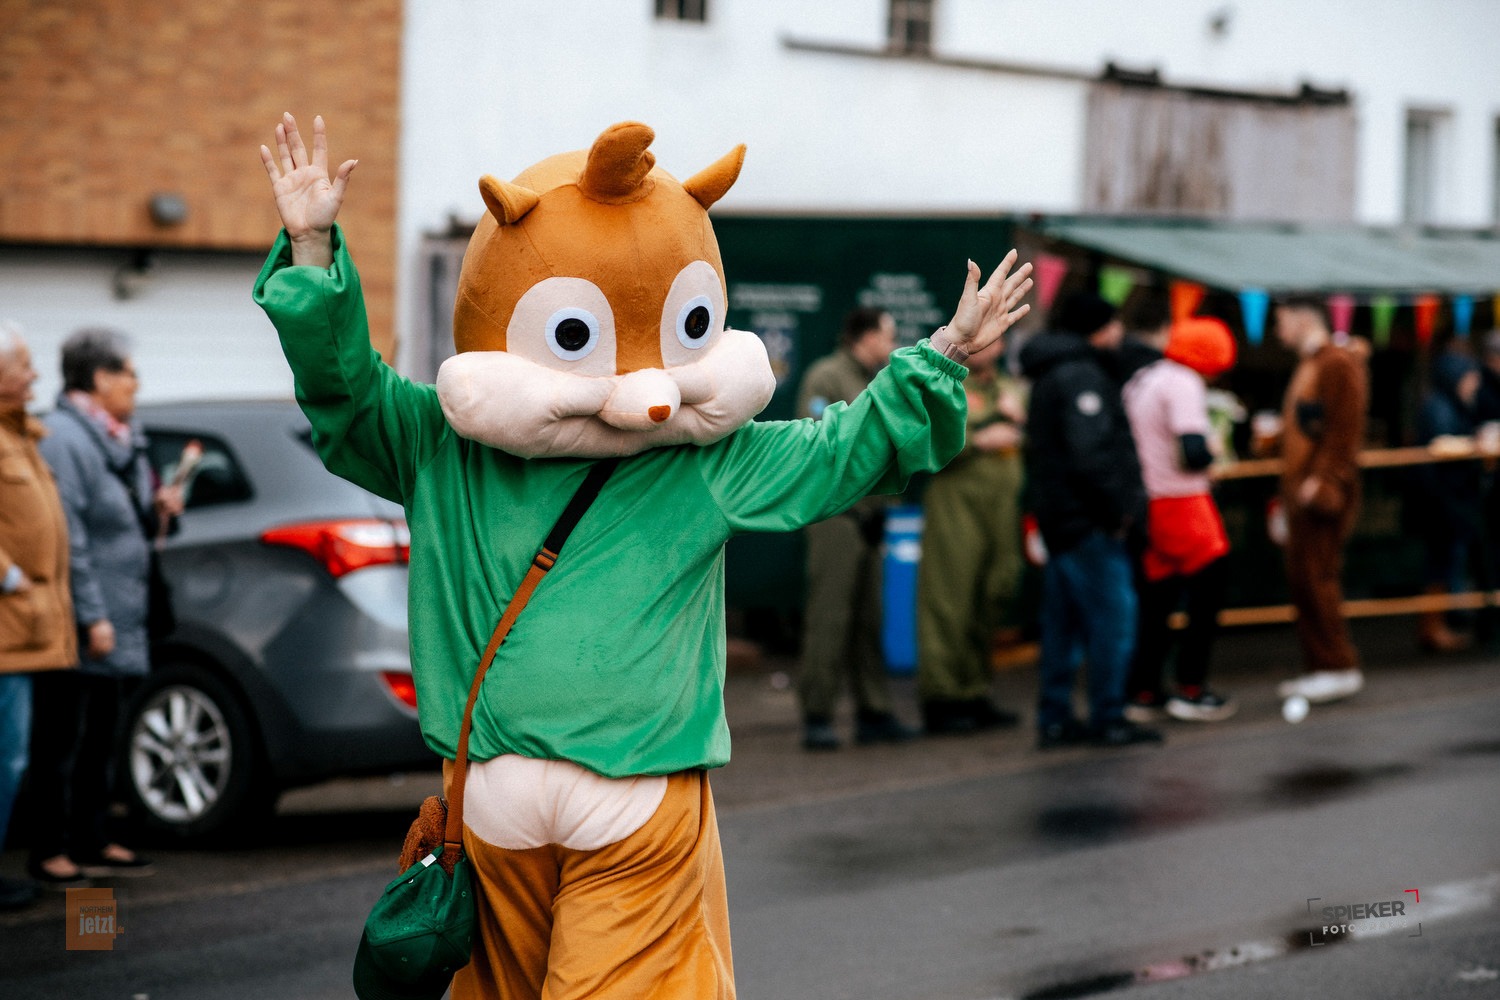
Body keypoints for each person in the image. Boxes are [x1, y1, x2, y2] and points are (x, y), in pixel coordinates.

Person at [256, 114, 1033, 999]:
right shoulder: (703, 462)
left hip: (492, 794)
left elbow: (345, 392)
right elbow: (842, 451)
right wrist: (942, 353)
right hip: (635, 790)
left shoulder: (441, 446)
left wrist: (311, 249)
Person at [30, 328, 183, 886]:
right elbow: (68, 537)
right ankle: (51, 848)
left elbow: (128, 524)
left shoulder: (126, 438)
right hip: (85, 618)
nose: (136, 385)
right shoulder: (64, 440)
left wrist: (161, 509)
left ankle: (93, 839)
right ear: (99, 379)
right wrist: (92, 615)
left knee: (103, 732)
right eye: (129, 374)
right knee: (63, 736)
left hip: (124, 611)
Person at [1020, 292, 1159, 749]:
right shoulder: (1082, 375)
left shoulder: (1050, 372)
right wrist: (1120, 512)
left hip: (1060, 521)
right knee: (1114, 621)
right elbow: (1092, 454)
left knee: (1062, 626)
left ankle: (1055, 717)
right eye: (1113, 324)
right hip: (1088, 524)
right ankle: (1109, 715)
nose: (1120, 333)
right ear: (1098, 329)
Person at [795, 308, 919, 750]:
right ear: (865, 337)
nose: (892, 344)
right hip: (837, 517)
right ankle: (817, 714)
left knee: (870, 618)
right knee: (830, 617)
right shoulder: (826, 376)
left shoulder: (879, 379)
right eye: (888, 335)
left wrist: (883, 509)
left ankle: (874, 710)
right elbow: (816, 440)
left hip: (871, 517)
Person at [1120, 312, 1238, 723]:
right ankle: (1191, 688)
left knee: (1156, 603)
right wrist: (1214, 449)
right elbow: (1193, 452)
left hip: (1148, 503)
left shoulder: (1142, 380)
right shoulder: (1184, 383)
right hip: (1184, 502)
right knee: (1207, 597)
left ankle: (1144, 689)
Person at [0, 322, 77, 909]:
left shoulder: (19, 434)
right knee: (8, 757)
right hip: (10, 627)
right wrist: (8, 577)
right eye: (23, 364)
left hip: (26, 629)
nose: (35, 375)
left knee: (16, 757)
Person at [915, 336, 1024, 734]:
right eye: (980, 342)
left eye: (994, 342)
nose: (987, 349)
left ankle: (974, 691)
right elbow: (932, 442)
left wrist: (1019, 421)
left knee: (992, 594)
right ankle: (942, 697)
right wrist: (982, 436)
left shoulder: (1010, 388)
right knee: (950, 599)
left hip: (1002, 509)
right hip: (957, 507)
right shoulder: (949, 386)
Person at [1271, 295, 1369, 705]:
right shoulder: (1315, 363)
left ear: (1301, 318)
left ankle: (1336, 666)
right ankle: (1323, 665)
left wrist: (1325, 481)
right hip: (1301, 490)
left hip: (1318, 493)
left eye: (1281, 320)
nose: (1277, 330)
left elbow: (1345, 429)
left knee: (1318, 578)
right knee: (1305, 579)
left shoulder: (1335, 363)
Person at [1413, 350, 1482, 652]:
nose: (1474, 383)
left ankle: (1436, 626)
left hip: (1444, 498)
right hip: (1441, 500)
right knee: (1440, 565)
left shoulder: (1445, 404)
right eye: (1469, 377)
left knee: (1443, 564)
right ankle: (1433, 627)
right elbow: (1441, 446)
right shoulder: (1440, 407)